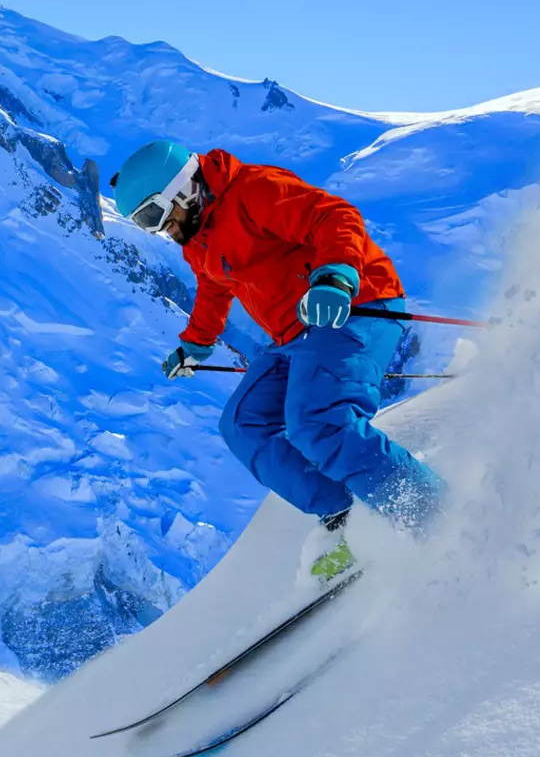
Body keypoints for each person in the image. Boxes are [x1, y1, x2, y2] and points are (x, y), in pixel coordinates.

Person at [110, 139, 445, 583]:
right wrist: (195, 343)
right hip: (295, 333)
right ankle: (345, 513)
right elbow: (214, 287)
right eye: (143, 224)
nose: (159, 230)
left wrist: (335, 275)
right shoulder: (197, 235)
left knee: (320, 423)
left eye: (154, 216)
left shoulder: (253, 190)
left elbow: (334, 216)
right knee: (243, 425)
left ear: (182, 190)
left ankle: (434, 516)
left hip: (356, 305)